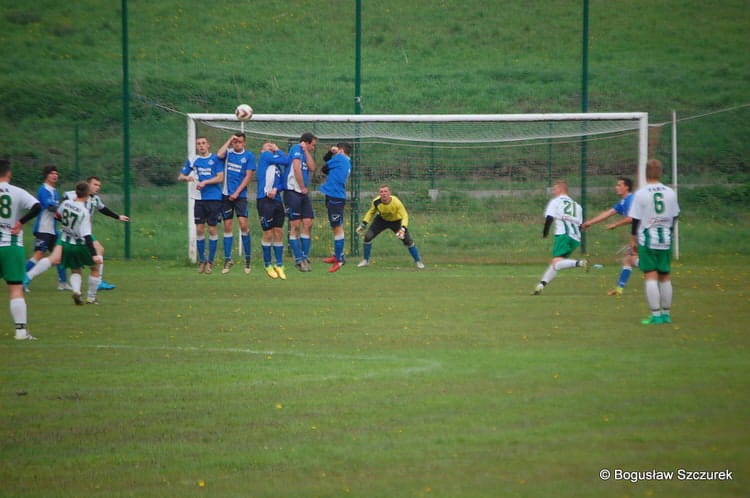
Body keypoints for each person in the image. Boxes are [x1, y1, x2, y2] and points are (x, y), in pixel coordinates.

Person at [628, 159, 680, 325]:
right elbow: (676, 215)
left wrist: (633, 238)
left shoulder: (641, 193)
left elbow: (635, 219)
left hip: (648, 238)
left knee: (650, 274)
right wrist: (669, 230)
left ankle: (655, 315)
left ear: (645, 173)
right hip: (665, 237)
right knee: (665, 275)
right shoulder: (670, 192)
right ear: (660, 173)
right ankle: (666, 314)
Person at [64, 176, 129, 290]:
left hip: (84, 233)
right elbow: (62, 204)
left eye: (99, 185)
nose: (97, 187)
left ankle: (95, 281)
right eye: (95, 184)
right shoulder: (72, 195)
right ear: (87, 185)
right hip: (73, 234)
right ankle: (94, 282)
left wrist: (118, 216)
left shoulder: (95, 199)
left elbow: (103, 209)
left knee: (98, 250)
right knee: (56, 259)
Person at [0, 159, 41, 340]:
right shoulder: (17, 191)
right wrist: (20, 222)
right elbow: (37, 206)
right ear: (9, 173)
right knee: (16, 288)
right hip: (11, 245)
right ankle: (21, 331)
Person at [531, 180, 588, 295]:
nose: (553, 192)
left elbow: (549, 218)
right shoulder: (577, 206)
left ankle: (580, 263)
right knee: (556, 263)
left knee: (556, 262)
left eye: (554, 189)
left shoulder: (556, 201)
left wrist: (545, 232)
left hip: (563, 235)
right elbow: (581, 225)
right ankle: (541, 285)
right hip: (575, 238)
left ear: (561, 189)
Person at [582, 176, 637, 296]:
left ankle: (657, 272)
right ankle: (619, 289)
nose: (616, 187)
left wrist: (616, 224)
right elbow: (608, 213)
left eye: (619, 185)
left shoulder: (631, 199)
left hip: (644, 233)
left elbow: (632, 218)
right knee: (628, 259)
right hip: (639, 233)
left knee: (637, 260)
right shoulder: (624, 201)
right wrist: (590, 223)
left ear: (626, 187)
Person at [178, 136, 224, 274]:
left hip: (214, 198)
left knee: (212, 229)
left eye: (203, 143)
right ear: (197, 146)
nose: (201, 146)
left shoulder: (216, 159)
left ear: (208, 145)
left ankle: (210, 261)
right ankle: (202, 260)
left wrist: (205, 182)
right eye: (199, 144)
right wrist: (187, 177)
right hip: (198, 199)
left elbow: (220, 177)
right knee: (199, 229)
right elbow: (180, 176)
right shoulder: (193, 160)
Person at [355, 184, 425, 269]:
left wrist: (403, 228)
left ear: (390, 193)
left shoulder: (396, 202)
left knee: (407, 241)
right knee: (368, 237)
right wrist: (363, 224)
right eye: (381, 192)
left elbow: (405, 215)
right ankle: (366, 261)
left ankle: (418, 261)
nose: (383, 193)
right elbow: (371, 212)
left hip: (396, 222)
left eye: (385, 191)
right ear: (379, 193)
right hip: (381, 220)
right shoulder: (376, 201)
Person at [57, 181, 104, 305]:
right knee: (95, 268)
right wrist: (94, 254)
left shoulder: (66, 203)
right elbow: (87, 236)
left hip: (66, 243)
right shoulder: (84, 212)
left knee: (75, 270)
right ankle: (91, 298)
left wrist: (67, 225)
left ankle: (77, 291)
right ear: (88, 194)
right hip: (79, 244)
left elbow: (57, 216)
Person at [216, 132, 255, 274]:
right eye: (235, 142)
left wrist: (237, 192)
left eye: (239, 142)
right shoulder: (228, 154)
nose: (237, 144)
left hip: (240, 196)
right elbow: (219, 154)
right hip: (226, 195)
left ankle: (248, 260)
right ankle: (228, 260)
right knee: (227, 225)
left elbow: (248, 176)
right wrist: (229, 140)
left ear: (244, 143)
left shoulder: (249, 156)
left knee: (243, 225)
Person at [26, 165, 69, 291]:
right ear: (46, 175)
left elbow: (56, 213)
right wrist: (64, 207)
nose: (55, 175)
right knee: (39, 254)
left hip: (52, 230)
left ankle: (63, 283)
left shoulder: (54, 191)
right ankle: (22, 281)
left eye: (56, 173)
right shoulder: (43, 190)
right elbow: (50, 208)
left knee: (59, 255)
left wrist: (63, 217)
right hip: (43, 228)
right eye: (52, 173)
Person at [283, 132, 317, 271]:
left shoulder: (304, 152)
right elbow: (296, 169)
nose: (314, 147)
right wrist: (302, 187)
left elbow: (312, 168)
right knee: (295, 225)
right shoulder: (295, 149)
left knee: (308, 223)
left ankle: (304, 256)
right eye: (313, 145)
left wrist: (306, 152)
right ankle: (298, 259)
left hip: (302, 193)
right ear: (306, 142)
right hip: (293, 191)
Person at [256, 141, 289, 280]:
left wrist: (276, 189)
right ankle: (268, 264)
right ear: (263, 150)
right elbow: (287, 160)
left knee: (279, 232)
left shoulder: (276, 167)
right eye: (268, 145)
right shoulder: (265, 157)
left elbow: (282, 183)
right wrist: (277, 149)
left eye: (272, 145)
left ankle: (279, 265)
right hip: (264, 200)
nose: (271, 147)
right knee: (268, 233)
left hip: (276, 201)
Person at [319, 143, 352, 273]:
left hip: (336, 197)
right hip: (334, 196)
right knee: (335, 227)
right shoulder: (345, 161)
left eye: (337, 150)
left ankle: (339, 260)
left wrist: (332, 152)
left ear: (341, 150)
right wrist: (331, 153)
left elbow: (324, 168)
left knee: (337, 228)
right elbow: (327, 166)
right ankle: (339, 255)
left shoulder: (340, 158)